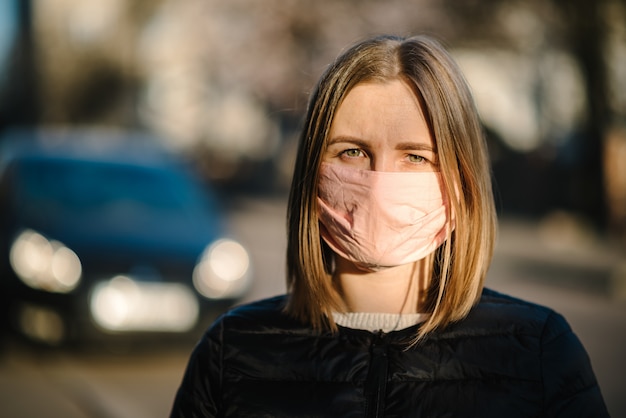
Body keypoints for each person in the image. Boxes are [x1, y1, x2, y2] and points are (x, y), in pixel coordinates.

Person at [170, 34, 609, 417]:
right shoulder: (234, 352)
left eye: (415, 156)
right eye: (352, 152)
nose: (379, 184)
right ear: (311, 172)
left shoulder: (537, 352)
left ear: (462, 182)